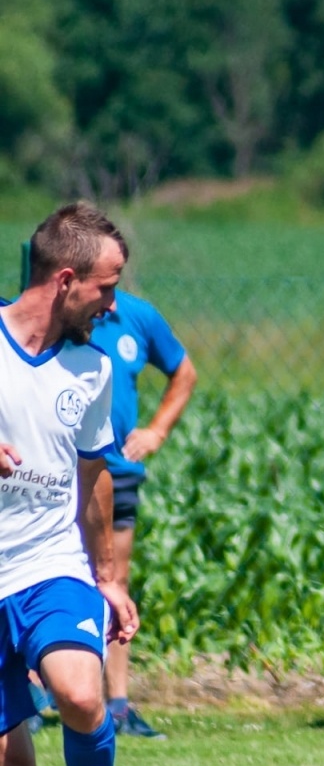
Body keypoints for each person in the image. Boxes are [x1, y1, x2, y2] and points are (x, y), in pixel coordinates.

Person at [0, 201, 153, 766]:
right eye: (106, 286)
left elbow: (96, 476)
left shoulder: (92, 368)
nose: (114, 303)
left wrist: (109, 577)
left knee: (81, 691)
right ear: (65, 280)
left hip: (46, 564)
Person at [89, 290, 198, 739]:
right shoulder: (59, 315)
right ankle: (30, 698)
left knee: (114, 580)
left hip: (120, 472)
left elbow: (184, 373)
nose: (109, 299)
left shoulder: (138, 316)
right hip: (63, 471)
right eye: (102, 282)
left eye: (116, 281)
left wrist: (156, 430)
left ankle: (116, 706)